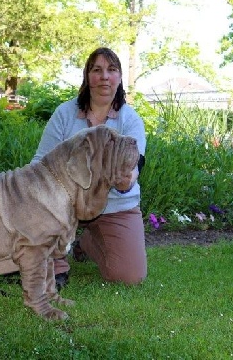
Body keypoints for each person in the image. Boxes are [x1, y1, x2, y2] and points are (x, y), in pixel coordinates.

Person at [31, 47, 147, 290]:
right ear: (87, 77)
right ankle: (56, 264)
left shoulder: (131, 120)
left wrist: (127, 181)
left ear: (119, 78)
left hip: (114, 206)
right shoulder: (64, 114)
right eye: (97, 70)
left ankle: (89, 243)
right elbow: (40, 162)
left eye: (112, 70)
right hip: (66, 204)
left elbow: (134, 169)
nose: (104, 76)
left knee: (130, 276)